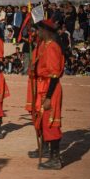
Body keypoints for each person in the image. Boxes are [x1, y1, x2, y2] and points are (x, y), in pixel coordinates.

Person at [28, 19, 64, 170]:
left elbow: (54, 75)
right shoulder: (43, 45)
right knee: (42, 121)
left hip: (50, 88)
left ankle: (55, 159)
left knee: (51, 123)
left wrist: (49, 97)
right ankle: (46, 151)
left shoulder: (52, 47)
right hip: (41, 86)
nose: (38, 33)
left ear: (46, 31)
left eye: (40, 30)